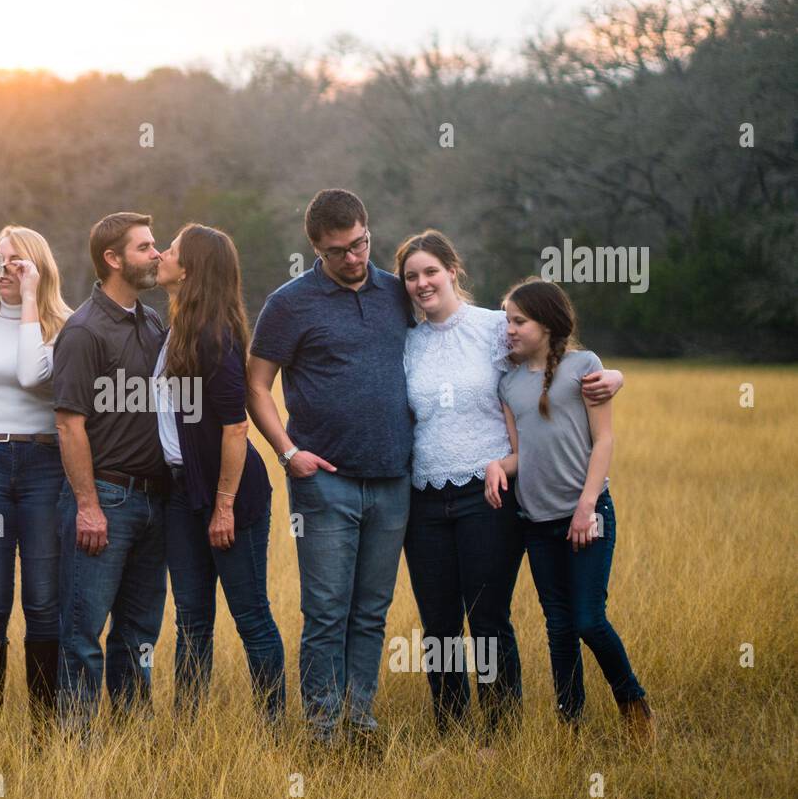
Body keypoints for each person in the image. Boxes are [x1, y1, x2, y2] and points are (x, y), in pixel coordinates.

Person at [396, 230, 624, 740]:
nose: (421, 283)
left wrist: (614, 376)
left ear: (453, 270)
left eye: (431, 271)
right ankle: (451, 732)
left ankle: (499, 736)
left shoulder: (497, 328)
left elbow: (558, 350)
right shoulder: (406, 343)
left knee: (488, 619)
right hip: (424, 498)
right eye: (411, 276)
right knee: (438, 624)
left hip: (489, 494)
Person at [247, 189, 412, 747]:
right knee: (325, 612)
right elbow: (256, 384)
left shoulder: (397, 292)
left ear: (368, 230)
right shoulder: (289, 303)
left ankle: (360, 723)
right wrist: (288, 452)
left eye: (360, 243)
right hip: (325, 484)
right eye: (338, 250)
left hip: (394, 480)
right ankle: (322, 731)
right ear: (315, 247)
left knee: (371, 612)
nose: (354, 257)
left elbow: (462, 328)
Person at [487, 278, 655, 744]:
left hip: (587, 514)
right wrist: (495, 466)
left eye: (518, 321)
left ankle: (633, 703)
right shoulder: (508, 383)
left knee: (587, 620)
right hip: (536, 525)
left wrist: (585, 507)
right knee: (558, 627)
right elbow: (521, 453)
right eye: (507, 320)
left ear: (547, 322)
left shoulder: (585, 367)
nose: (510, 329)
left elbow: (603, 439)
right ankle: (570, 724)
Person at [154, 223, 285, 725]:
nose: (162, 254)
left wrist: (223, 506)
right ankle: (188, 731)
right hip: (182, 494)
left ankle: (274, 727)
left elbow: (235, 428)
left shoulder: (215, 337)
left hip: (231, 496)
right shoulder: (178, 327)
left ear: (190, 269)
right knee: (191, 621)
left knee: (250, 615)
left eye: (171, 249)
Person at [51, 212, 169, 740]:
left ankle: (130, 734)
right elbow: (69, 423)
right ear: (113, 259)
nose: (157, 254)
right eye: (145, 247)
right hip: (108, 499)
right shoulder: (82, 331)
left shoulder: (151, 323)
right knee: (83, 631)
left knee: (139, 631)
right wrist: (88, 504)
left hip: (155, 502)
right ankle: (78, 744)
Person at [0, 226, 72, 723]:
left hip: (45, 465)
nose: (2, 271)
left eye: (15, 262)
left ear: (38, 267)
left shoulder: (66, 326)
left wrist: (30, 300)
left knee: (44, 602)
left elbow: (32, 375)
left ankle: (45, 724)